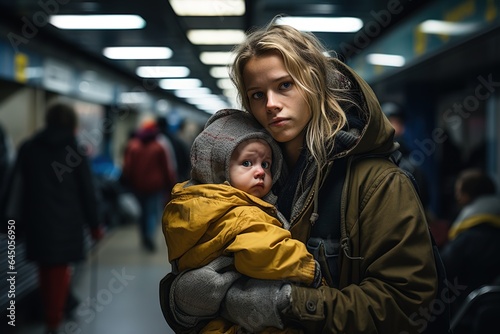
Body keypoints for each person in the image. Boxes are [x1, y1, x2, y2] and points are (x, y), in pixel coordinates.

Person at [160, 21, 443, 334]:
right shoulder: (250, 181)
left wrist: (287, 303)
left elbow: (406, 302)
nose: (271, 105)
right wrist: (182, 306)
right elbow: (197, 266)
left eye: (284, 85)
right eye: (257, 94)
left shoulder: (379, 183)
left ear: (314, 84)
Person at [163, 109, 322, 333]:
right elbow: (262, 251)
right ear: (219, 170)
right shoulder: (241, 212)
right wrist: (309, 269)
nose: (259, 172)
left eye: (266, 164)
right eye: (247, 163)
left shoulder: (193, 202)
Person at [2, 101, 103, 334]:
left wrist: (10, 221)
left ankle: (52, 314)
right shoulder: (76, 150)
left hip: (37, 220)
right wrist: (95, 223)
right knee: (60, 269)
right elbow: (87, 191)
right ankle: (53, 319)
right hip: (67, 222)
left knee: (45, 268)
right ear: (71, 123)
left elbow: (16, 187)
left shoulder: (28, 147)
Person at [440, 168, 500, 316]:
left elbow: (441, 272)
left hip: (468, 317)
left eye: (459, 192)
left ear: (467, 197)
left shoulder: (465, 239)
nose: (456, 197)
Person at [121, 118, 176, 252]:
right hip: (155, 186)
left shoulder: (133, 146)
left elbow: (127, 167)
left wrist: (127, 182)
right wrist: (171, 184)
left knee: (141, 213)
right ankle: (150, 236)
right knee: (152, 212)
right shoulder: (158, 147)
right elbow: (166, 168)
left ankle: (144, 236)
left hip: (137, 186)